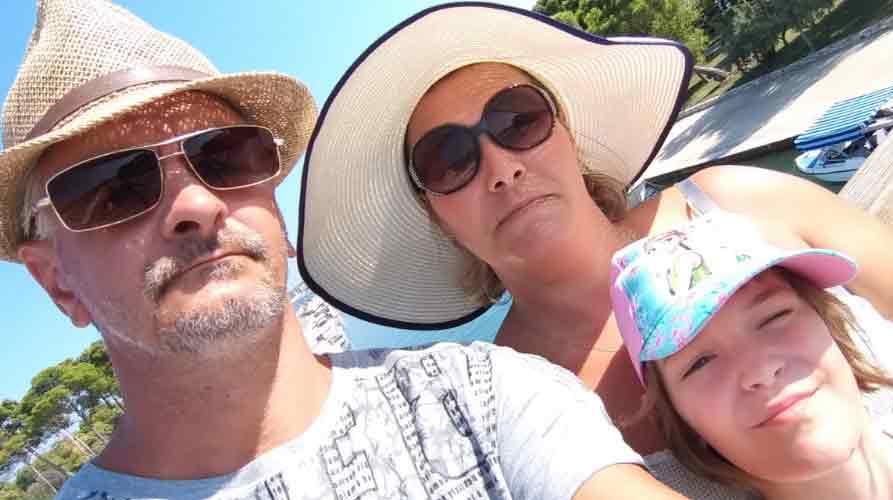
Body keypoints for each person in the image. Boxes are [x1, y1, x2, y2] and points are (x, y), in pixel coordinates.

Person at [297, 2, 893, 497]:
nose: (501, 167)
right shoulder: (507, 397)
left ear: (565, 130)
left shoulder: (743, 201)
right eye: (450, 160)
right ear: (436, 213)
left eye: (517, 120)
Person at [2, 1, 684, 499]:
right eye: (114, 188)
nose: (197, 204)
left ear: (276, 210)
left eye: (225, 156)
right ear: (56, 281)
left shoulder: (487, 397)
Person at [610, 213, 893, 499]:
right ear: (685, 423)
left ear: (833, 325)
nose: (760, 370)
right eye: (700, 363)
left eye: (774, 317)